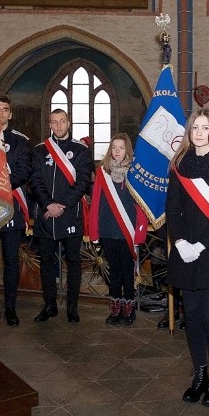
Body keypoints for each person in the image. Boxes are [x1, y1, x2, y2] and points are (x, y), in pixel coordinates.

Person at [166, 107, 209, 407]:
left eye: (205, 128)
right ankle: (200, 374)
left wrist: (202, 245)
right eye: (195, 127)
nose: (200, 132)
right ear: (189, 131)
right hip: (185, 252)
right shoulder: (179, 164)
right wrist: (180, 241)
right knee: (191, 319)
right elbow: (173, 207)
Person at [30, 109, 94, 323]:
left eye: (62, 121)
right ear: (49, 124)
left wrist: (62, 204)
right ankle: (49, 305)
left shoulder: (81, 150)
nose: (58, 126)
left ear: (69, 122)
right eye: (54, 122)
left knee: (74, 261)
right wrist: (48, 204)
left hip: (70, 214)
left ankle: (72, 307)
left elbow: (83, 181)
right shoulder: (40, 151)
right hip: (46, 215)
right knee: (46, 261)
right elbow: (35, 181)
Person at [0, 96, 32, 327]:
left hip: (11, 209)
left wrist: (0, 182)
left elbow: (24, 170)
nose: (1, 113)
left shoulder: (20, 142)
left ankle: (10, 307)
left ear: (10, 114)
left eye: (5, 110)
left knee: (11, 262)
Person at [89, 133, 148, 325]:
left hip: (127, 230)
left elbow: (141, 206)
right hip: (107, 229)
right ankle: (115, 307)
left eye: (121, 148)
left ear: (127, 150)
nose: (117, 151)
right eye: (114, 147)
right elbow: (96, 202)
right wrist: (94, 231)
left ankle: (129, 308)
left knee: (127, 270)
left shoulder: (135, 173)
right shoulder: (102, 174)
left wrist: (140, 232)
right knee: (113, 271)